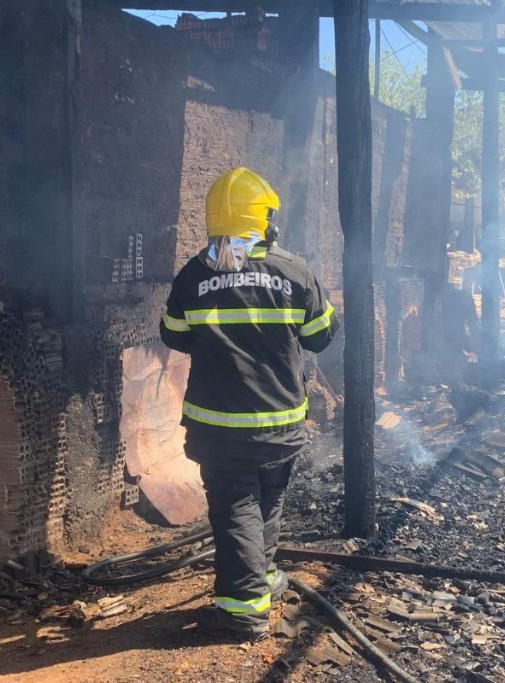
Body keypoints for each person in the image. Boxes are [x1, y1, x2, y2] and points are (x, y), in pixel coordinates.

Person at [159, 167, 338, 641]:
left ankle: (245, 603)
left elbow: (173, 335)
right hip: (281, 421)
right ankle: (252, 596)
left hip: (220, 426)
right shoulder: (293, 270)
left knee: (237, 503)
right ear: (264, 219)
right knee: (267, 496)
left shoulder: (195, 273)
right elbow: (320, 336)